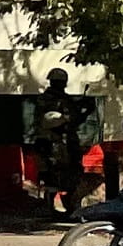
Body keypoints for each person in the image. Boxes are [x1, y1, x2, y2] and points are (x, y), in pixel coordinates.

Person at [36, 67, 86, 214]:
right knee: (52, 175)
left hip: (62, 143)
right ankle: (50, 206)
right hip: (54, 143)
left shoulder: (62, 99)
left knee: (67, 175)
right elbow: (54, 120)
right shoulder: (49, 100)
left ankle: (67, 206)